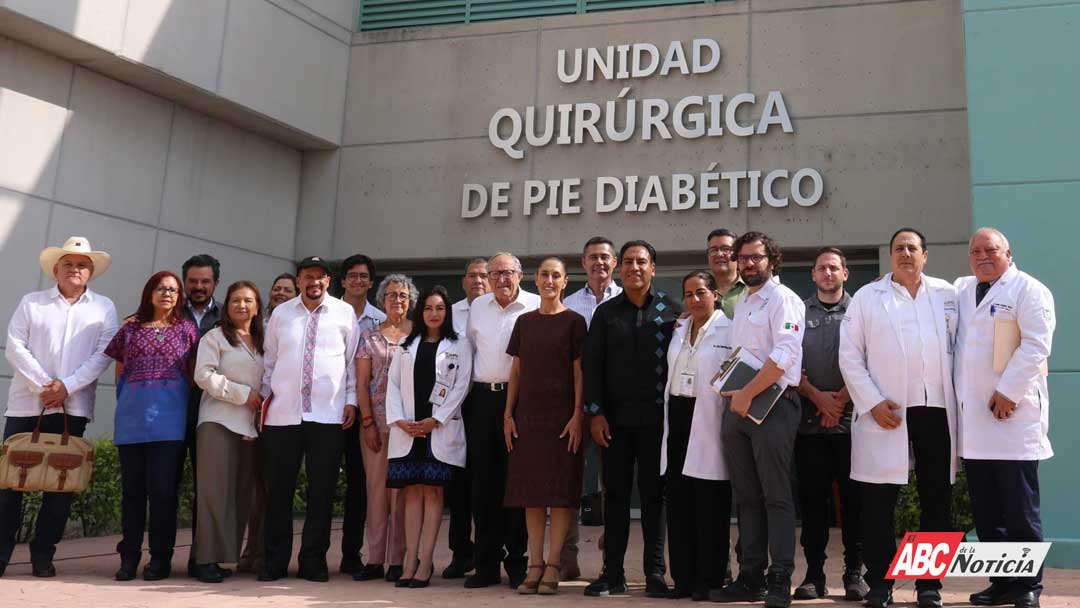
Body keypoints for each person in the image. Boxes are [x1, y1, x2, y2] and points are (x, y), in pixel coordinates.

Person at [838, 228, 959, 608]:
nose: (905, 253)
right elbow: (849, 356)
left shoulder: (947, 295)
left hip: (936, 409)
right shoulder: (867, 298)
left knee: (936, 498)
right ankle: (880, 582)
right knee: (877, 500)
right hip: (886, 410)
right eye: (898, 248)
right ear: (890, 256)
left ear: (925, 255)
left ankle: (929, 584)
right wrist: (871, 401)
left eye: (912, 248)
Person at [0, 237, 118, 578]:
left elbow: (103, 354)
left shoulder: (104, 308)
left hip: (73, 407)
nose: (75, 269)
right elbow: (15, 346)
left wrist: (67, 387)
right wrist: (44, 385)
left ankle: (42, 556)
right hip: (26, 404)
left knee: (60, 488)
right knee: (9, 485)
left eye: (82, 264)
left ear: (90, 272)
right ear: (56, 269)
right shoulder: (32, 302)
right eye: (68, 263)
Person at [955, 228, 1055, 608]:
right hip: (976, 426)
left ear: (1008, 253)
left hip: (1013, 418)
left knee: (1020, 512)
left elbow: (1036, 344)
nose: (982, 255)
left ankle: (1028, 585)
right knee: (987, 513)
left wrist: (1008, 392)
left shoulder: (1029, 290)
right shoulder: (964, 289)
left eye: (990, 249)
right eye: (975, 250)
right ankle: (1002, 582)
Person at [584, 240, 680, 598]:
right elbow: (593, 368)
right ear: (619, 269)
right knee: (616, 498)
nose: (634, 267)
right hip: (615, 424)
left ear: (653, 268)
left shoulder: (672, 311)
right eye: (628, 262)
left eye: (641, 261)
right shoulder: (606, 314)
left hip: (659, 423)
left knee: (655, 499)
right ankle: (612, 574)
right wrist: (595, 414)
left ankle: (655, 573)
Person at [713, 231, 805, 608]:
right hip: (737, 409)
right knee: (746, 497)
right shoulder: (745, 302)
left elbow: (785, 353)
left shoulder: (783, 299)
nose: (749, 263)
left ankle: (779, 576)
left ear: (772, 259)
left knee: (776, 496)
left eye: (756, 257)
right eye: (743, 258)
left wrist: (748, 392)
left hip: (774, 406)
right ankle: (751, 574)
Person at [258, 256, 360, 582]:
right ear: (298, 280)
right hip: (283, 415)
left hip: (328, 415)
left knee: (322, 492)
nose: (314, 282)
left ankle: (313, 561)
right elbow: (270, 361)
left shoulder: (345, 314)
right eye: (307, 276)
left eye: (320, 277)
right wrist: (263, 400)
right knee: (279, 492)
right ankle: (275, 561)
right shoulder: (280, 314)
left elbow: (352, 362)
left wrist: (352, 401)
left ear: (329, 281)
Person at [106, 270, 200, 581]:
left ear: (179, 297)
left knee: (162, 493)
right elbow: (119, 372)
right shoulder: (130, 329)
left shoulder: (188, 330)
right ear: (149, 292)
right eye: (161, 288)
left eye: (173, 290)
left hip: (170, 423)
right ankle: (128, 558)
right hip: (132, 421)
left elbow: (193, 374)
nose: (167, 294)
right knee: (132, 493)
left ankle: (160, 559)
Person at [503, 257, 587, 595]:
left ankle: (553, 565)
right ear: (535, 281)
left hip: (563, 419)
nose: (549, 280)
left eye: (556, 275)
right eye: (544, 275)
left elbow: (580, 372)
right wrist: (508, 414)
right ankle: (534, 564)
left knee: (560, 494)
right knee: (532, 495)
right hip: (528, 419)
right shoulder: (524, 322)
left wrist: (578, 414)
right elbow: (516, 371)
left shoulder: (575, 322)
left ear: (565, 281)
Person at [385, 286, 473, 588]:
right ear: (419, 312)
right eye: (428, 308)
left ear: (447, 313)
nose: (433, 313)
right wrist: (400, 420)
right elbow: (392, 386)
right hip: (409, 429)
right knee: (411, 493)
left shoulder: (459, 344)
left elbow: (462, 385)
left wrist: (436, 419)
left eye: (439, 308)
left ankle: (425, 562)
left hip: (438, 427)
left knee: (433, 493)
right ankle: (409, 560)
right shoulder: (407, 345)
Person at [793, 247, 866, 601]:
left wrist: (841, 399)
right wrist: (817, 397)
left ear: (845, 274)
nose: (827, 273)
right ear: (813, 274)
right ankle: (814, 574)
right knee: (813, 504)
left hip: (852, 426)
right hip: (809, 426)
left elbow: (873, 359)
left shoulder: (861, 311)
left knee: (855, 504)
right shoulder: (797, 311)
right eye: (821, 267)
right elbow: (787, 361)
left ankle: (854, 574)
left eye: (834, 268)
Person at [464, 252, 540, 589]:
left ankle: (518, 564)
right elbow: (467, 354)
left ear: (520, 275)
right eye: (495, 273)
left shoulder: (536, 305)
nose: (501, 279)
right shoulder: (478, 307)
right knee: (484, 485)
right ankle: (485, 564)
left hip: (521, 402)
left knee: (518, 484)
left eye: (507, 273)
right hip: (481, 401)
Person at [662, 271, 733, 601]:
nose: (694, 300)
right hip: (677, 416)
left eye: (701, 292)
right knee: (679, 502)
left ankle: (711, 579)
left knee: (710, 504)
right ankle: (684, 579)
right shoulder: (679, 329)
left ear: (715, 294)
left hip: (709, 419)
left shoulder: (729, 330)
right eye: (688, 294)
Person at [191, 281, 265, 583]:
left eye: (248, 300)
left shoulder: (263, 341)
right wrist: (242, 393)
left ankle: (219, 557)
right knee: (213, 494)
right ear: (227, 305)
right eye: (235, 300)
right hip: (217, 422)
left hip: (249, 426)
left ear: (257, 306)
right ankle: (204, 560)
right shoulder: (215, 337)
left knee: (238, 496)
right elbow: (202, 375)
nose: (242, 306)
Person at [563, 236, 621, 581]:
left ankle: (608, 561)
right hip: (572, 407)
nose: (599, 263)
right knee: (568, 483)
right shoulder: (569, 306)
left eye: (605, 257)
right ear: (582, 263)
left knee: (611, 484)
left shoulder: (626, 299)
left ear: (614, 262)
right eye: (593, 257)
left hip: (611, 408)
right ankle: (567, 556)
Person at [352, 274, 417, 583]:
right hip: (376, 424)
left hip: (408, 426)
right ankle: (375, 558)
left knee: (403, 495)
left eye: (403, 295)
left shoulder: (419, 335)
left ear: (411, 301)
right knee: (377, 493)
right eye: (391, 295)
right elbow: (362, 384)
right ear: (382, 300)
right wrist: (367, 422)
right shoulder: (369, 337)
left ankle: (399, 560)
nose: (397, 300)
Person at [237, 272, 298, 574]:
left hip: (282, 415)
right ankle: (249, 547)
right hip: (252, 411)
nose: (282, 294)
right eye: (277, 289)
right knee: (253, 486)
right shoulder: (256, 327)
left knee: (270, 486)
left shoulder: (296, 325)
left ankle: (262, 549)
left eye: (288, 290)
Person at [338, 254, 386, 574]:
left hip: (363, 413)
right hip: (326, 409)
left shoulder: (381, 320)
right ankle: (312, 555)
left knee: (359, 484)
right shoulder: (326, 314)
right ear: (342, 281)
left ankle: (350, 553)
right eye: (352, 276)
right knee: (324, 483)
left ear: (371, 282)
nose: (357, 281)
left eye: (363, 276)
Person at [444, 257, 489, 579]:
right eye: (471, 275)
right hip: (454, 409)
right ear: (463, 281)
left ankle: (491, 551)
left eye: (483, 275)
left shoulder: (498, 310)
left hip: (487, 404)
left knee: (488, 482)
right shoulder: (450, 312)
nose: (478, 280)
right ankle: (461, 552)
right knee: (458, 484)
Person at [180, 253, 222, 576]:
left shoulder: (228, 317)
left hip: (210, 414)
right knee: (165, 489)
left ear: (215, 284)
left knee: (207, 489)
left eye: (205, 281)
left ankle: (202, 558)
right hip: (170, 413)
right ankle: (159, 559)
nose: (198, 286)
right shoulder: (167, 312)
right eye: (193, 281)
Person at [706, 228, 747, 319]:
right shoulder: (701, 291)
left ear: (737, 254)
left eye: (726, 249)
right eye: (713, 250)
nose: (719, 254)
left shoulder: (753, 290)